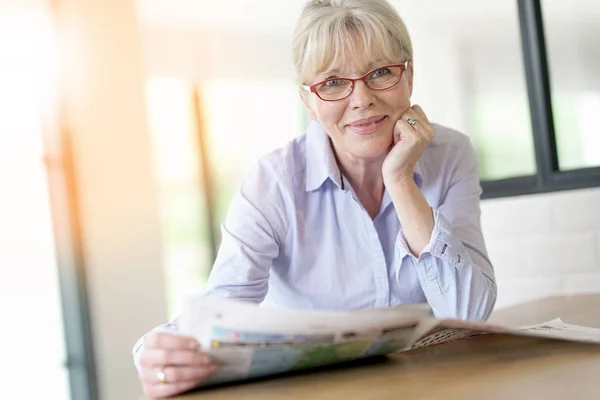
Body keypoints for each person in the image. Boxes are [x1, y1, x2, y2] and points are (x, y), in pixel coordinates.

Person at [133, 0, 497, 397]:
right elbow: (224, 308)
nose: (360, 99)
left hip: (424, 386)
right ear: (308, 100)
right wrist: (156, 354)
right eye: (333, 82)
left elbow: (467, 313)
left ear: (408, 78)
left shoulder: (450, 154)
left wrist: (401, 181)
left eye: (380, 73)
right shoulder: (274, 183)